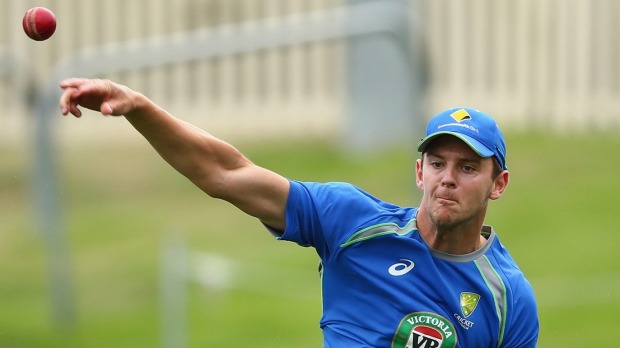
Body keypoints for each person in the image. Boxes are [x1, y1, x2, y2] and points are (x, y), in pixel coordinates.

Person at [59, 78, 539, 347]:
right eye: (437, 163)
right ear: (419, 171)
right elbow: (224, 173)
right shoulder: (352, 222)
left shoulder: (508, 299)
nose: (447, 178)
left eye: (468, 167)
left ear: (498, 184)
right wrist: (139, 108)